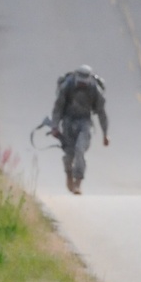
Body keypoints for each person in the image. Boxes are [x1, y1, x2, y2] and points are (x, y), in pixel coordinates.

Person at [50, 65, 109, 194]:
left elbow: (101, 113)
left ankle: (78, 183)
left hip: (85, 122)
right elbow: (58, 108)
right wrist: (55, 126)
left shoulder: (94, 90)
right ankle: (69, 174)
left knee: (80, 150)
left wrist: (105, 133)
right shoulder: (67, 87)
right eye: (80, 78)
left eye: (85, 78)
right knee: (69, 154)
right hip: (68, 121)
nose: (82, 82)